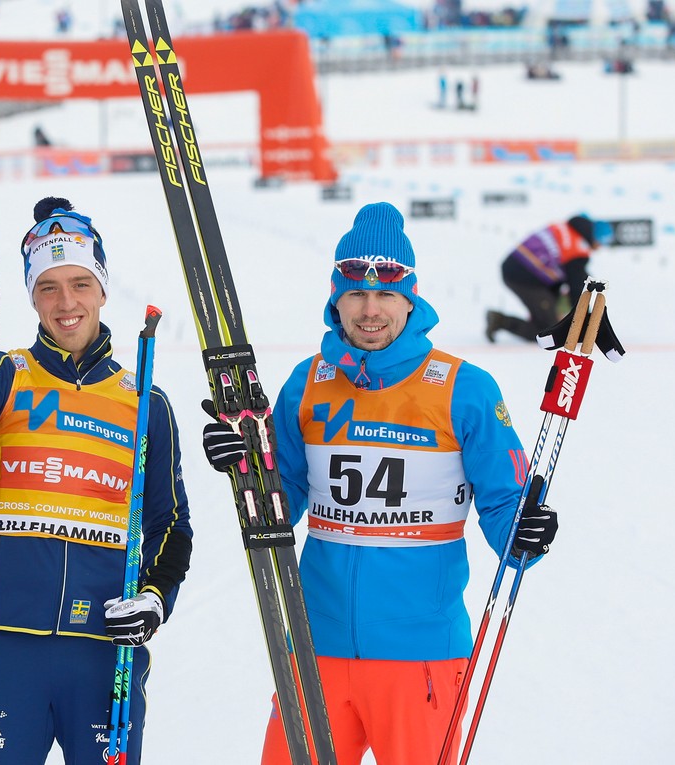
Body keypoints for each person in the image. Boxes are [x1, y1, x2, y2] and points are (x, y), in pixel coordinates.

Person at [201, 202, 557, 765]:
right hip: (315, 649)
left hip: (421, 657)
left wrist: (525, 532)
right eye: (356, 294)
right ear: (335, 300)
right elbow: (281, 501)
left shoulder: (463, 388)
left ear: (409, 297)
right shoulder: (307, 383)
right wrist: (246, 464)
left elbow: (504, 502)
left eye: (386, 294)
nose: (370, 310)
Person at [0, 197, 194, 764]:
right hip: (4, 647)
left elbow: (170, 525)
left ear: (102, 288)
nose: (66, 303)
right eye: (48, 287)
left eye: (80, 283)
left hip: (104, 653)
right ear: (32, 296)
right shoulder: (2, 375)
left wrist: (153, 597)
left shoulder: (144, 403)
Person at [486, 214, 598, 343]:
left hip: (514, 268)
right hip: (525, 279)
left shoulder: (562, 227)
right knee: (549, 331)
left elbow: (556, 275)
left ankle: (513, 320)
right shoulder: (577, 250)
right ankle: (500, 321)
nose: (599, 246)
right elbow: (576, 289)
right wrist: (586, 324)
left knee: (547, 313)